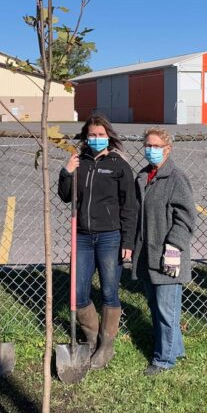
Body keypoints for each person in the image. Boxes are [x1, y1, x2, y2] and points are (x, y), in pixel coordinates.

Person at [57, 113, 137, 370]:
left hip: (110, 236)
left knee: (109, 292)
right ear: (85, 137)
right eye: (92, 135)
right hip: (82, 235)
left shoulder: (118, 165)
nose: (96, 139)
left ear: (109, 137)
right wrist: (66, 172)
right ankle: (92, 339)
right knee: (78, 292)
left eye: (101, 135)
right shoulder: (79, 162)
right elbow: (66, 197)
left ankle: (107, 345)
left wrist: (128, 240)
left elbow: (129, 206)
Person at [131, 127, 197, 376]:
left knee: (167, 310)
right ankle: (175, 349)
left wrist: (174, 246)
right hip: (147, 254)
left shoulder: (176, 178)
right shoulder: (144, 176)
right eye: (147, 145)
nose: (150, 150)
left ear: (167, 149)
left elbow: (186, 217)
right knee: (157, 307)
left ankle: (164, 360)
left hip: (167, 254)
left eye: (156, 146)